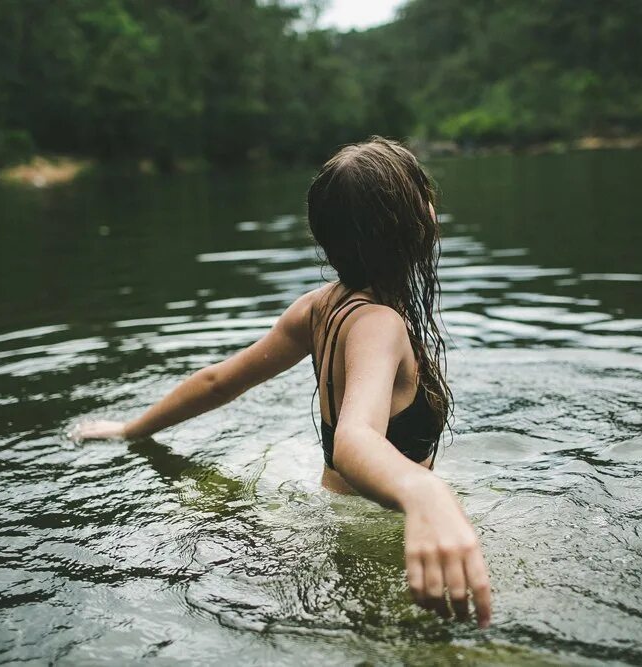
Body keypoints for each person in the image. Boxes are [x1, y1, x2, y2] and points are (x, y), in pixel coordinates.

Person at [72, 137, 492, 628]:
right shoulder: (381, 325)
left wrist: (132, 429)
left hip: (338, 516)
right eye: (423, 196)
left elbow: (216, 383)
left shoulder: (320, 307)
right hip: (380, 535)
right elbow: (355, 439)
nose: (431, 205)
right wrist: (426, 494)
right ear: (410, 227)